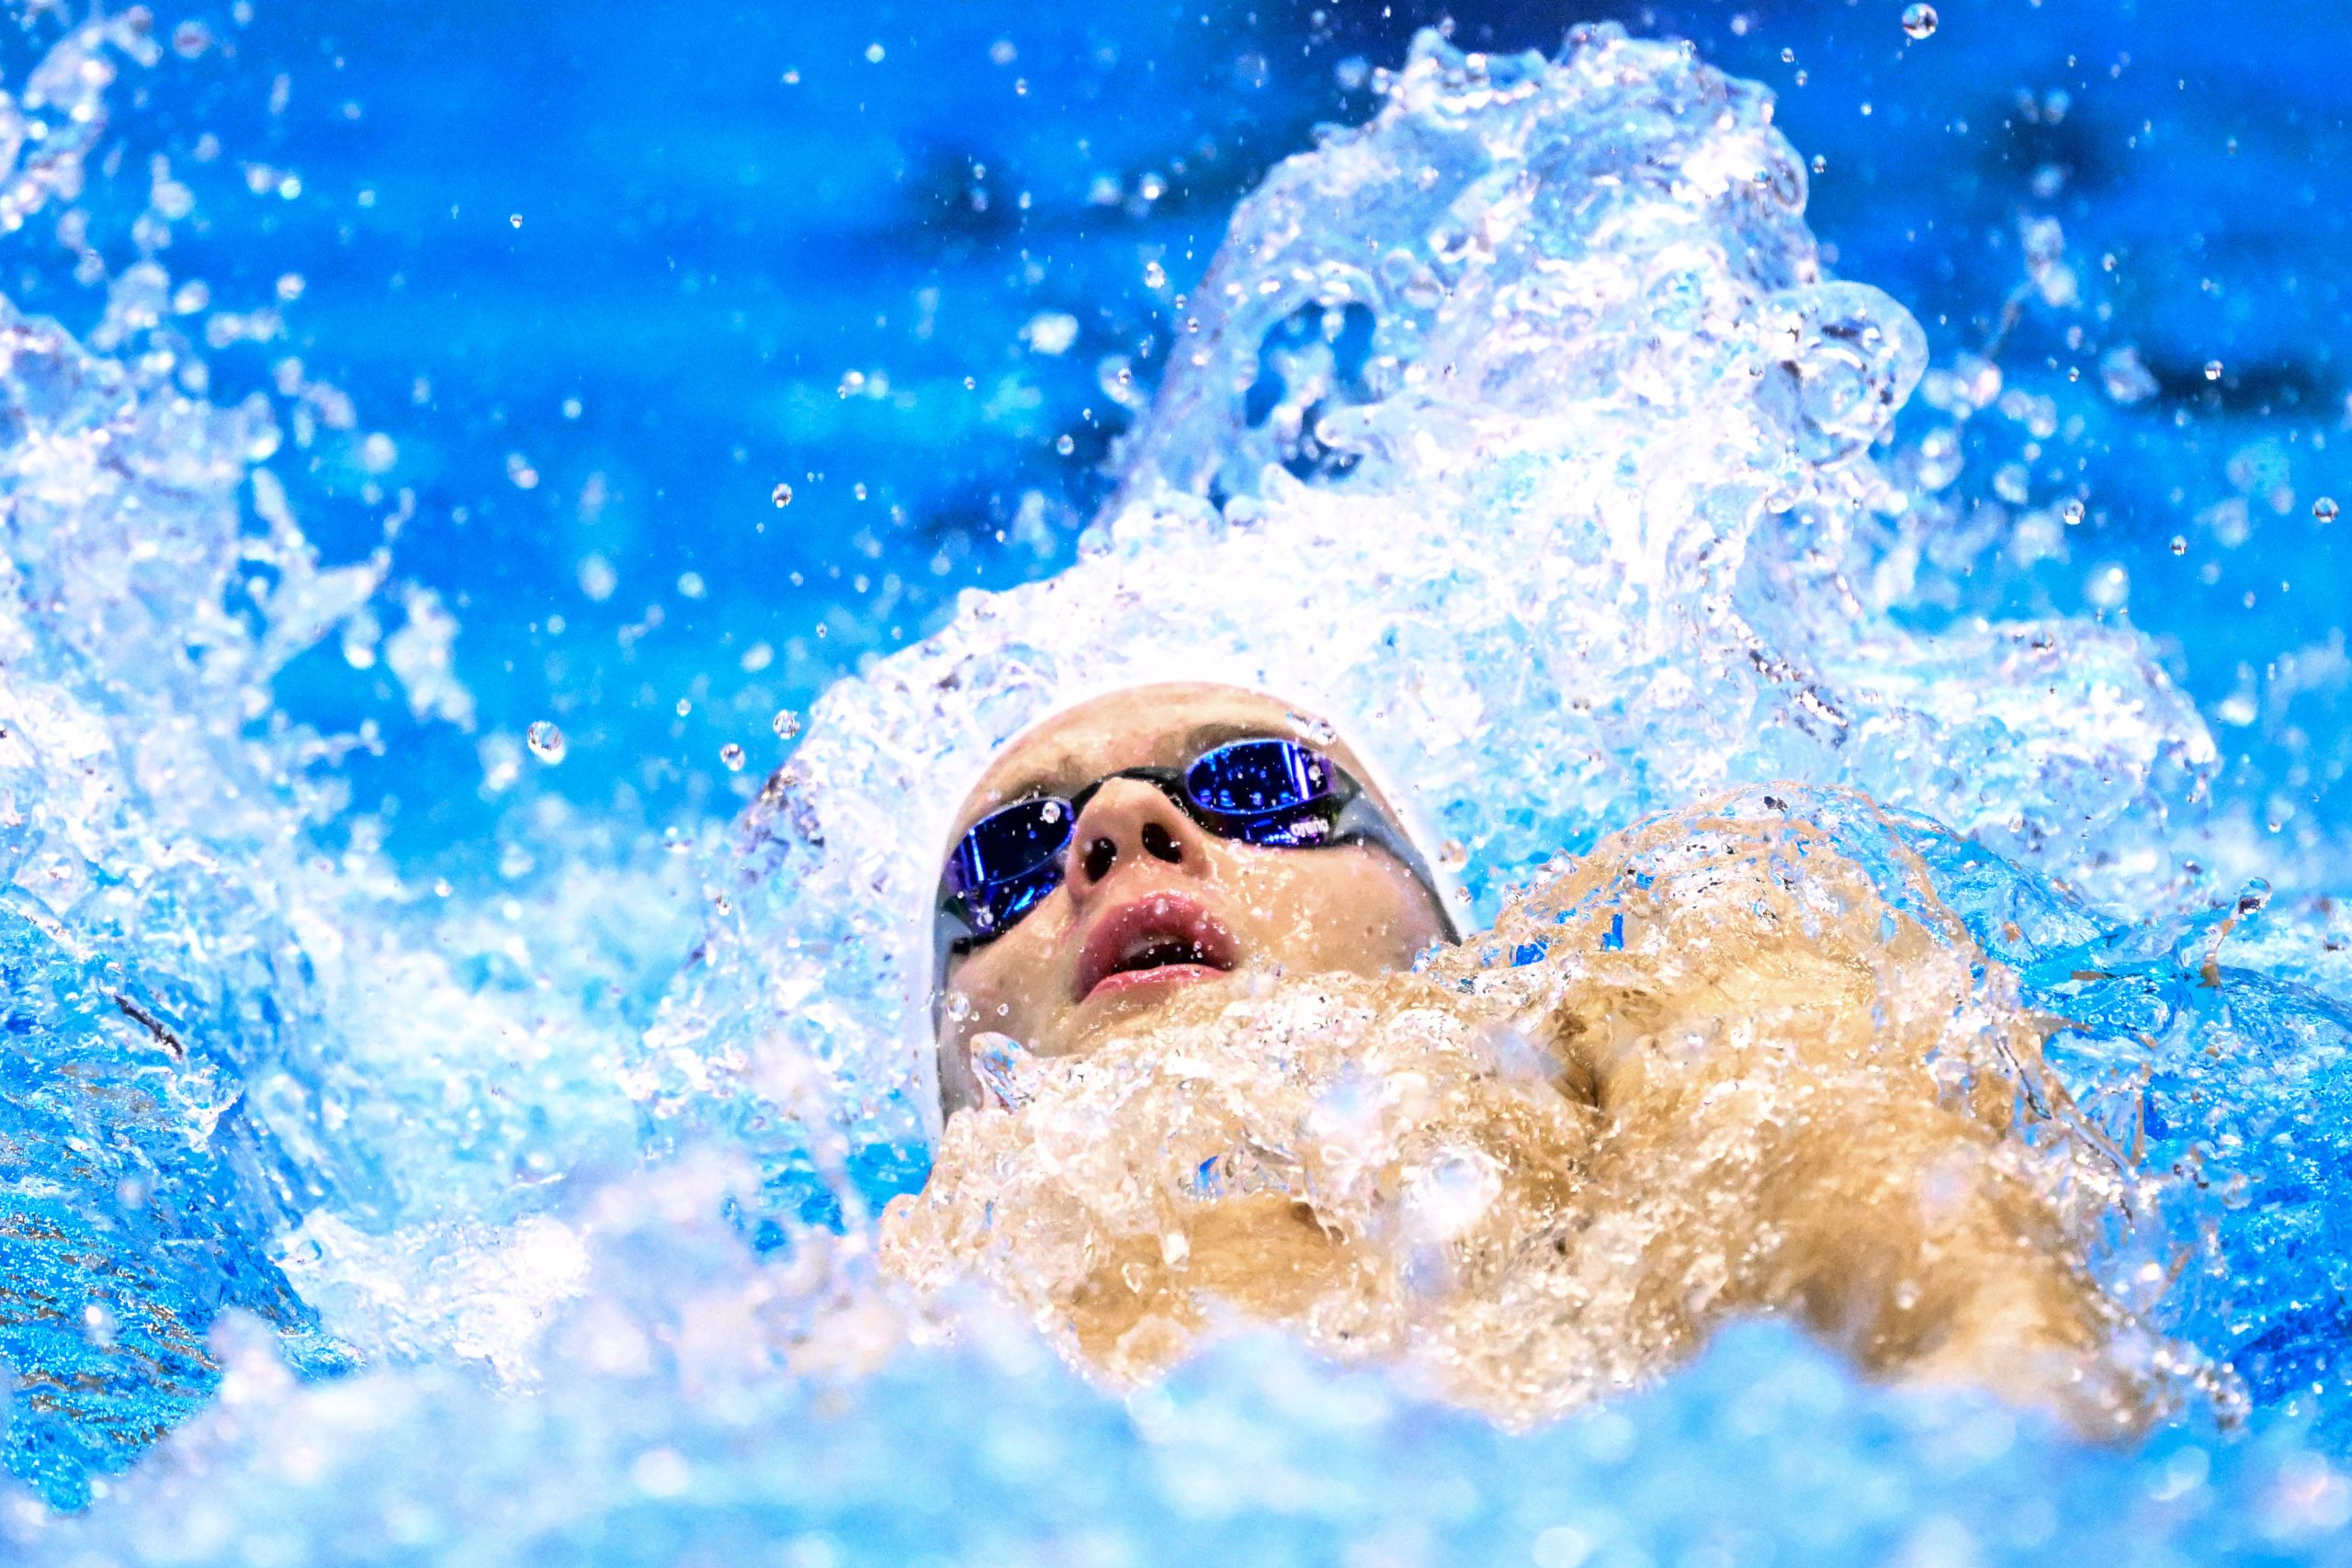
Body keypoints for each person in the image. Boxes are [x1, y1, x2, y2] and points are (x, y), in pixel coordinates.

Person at [898, 681, 2166, 1436]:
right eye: (1006, 856)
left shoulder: (1652, 1009)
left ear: (1438, 921)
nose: (1121, 826)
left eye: (1257, 781)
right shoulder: (899, 1308)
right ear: (956, 1074)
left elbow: (1977, 1327)